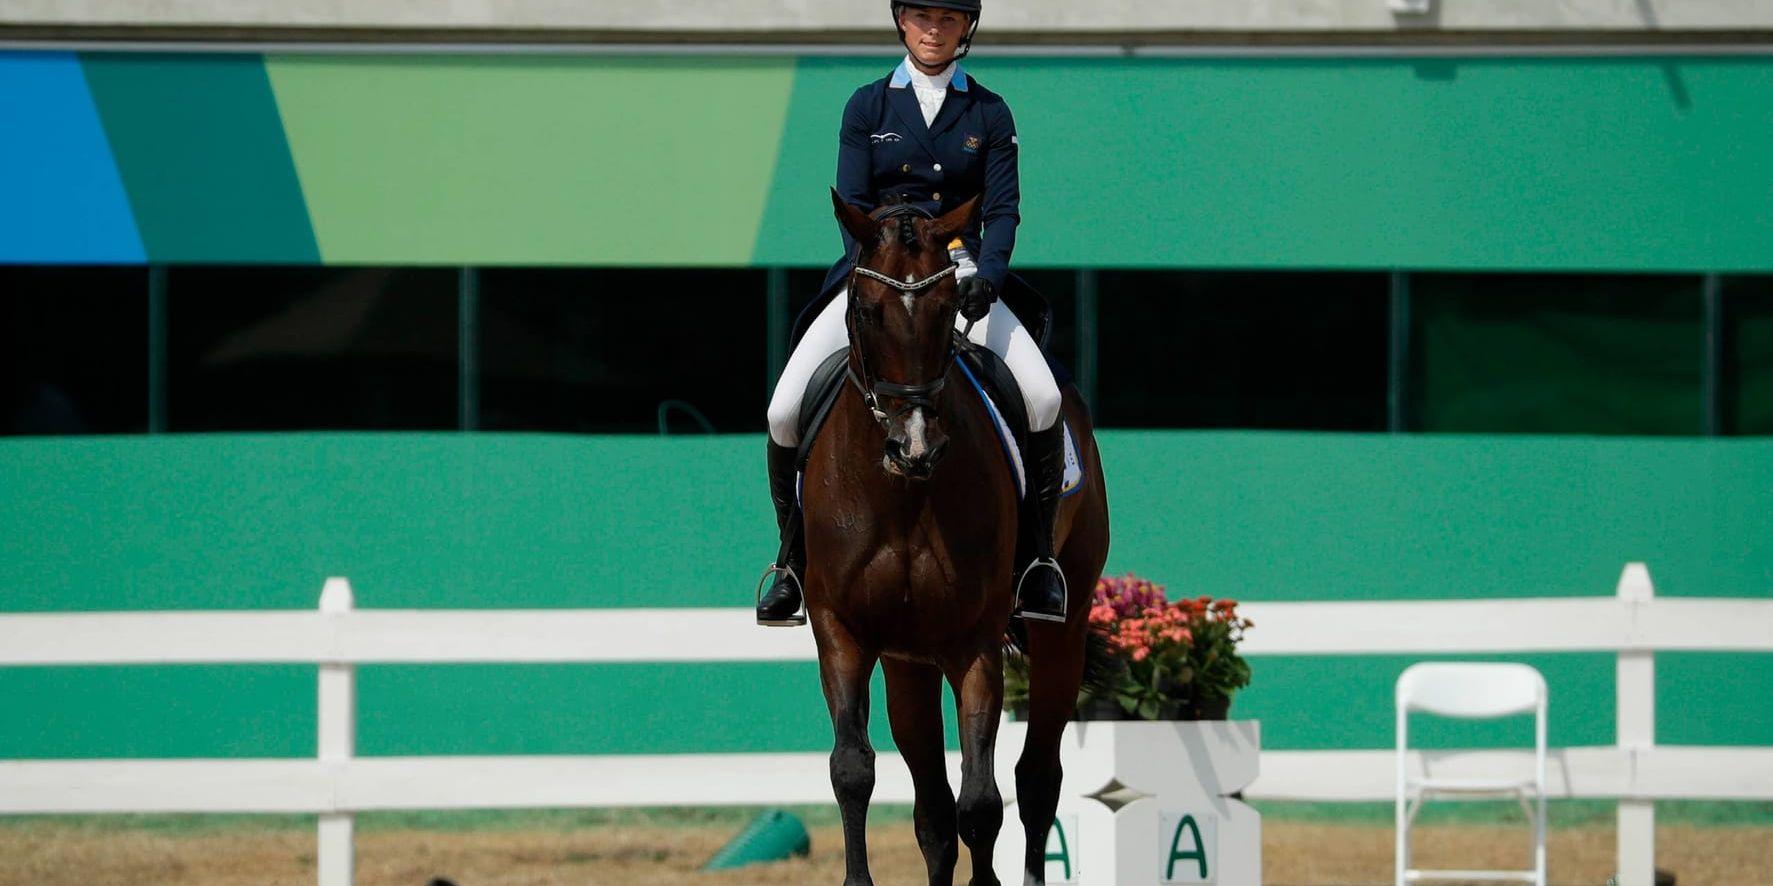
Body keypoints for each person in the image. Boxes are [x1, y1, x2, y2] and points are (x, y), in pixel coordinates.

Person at [756, 0, 1068, 627]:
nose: (933, 29)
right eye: (922, 17)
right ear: (902, 22)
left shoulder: (989, 111)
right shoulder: (867, 106)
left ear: (965, 30)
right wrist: (878, 277)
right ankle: (791, 565)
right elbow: (854, 204)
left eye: (948, 19)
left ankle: (1036, 564)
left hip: (960, 276)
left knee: (1043, 398)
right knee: (783, 410)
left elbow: (1002, 210)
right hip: (876, 279)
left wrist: (990, 277)